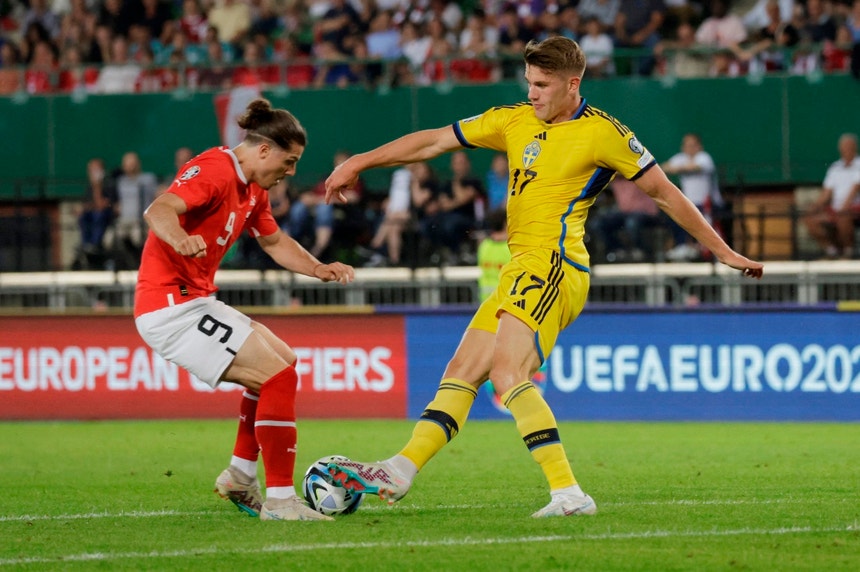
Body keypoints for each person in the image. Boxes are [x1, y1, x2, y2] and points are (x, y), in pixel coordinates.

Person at [323, 36, 763, 518]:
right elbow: (432, 140)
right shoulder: (513, 120)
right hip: (520, 267)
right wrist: (360, 161)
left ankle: (569, 494)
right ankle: (401, 468)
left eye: (542, 84)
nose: (531, 93)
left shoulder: (604, 133)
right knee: (462, 371)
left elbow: (665, 194)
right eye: (528, 82)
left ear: (573, 85)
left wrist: (721, 250)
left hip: (555, 264)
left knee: (509, 373)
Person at [134, 98, 355, 522]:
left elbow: (272, 241)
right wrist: (179, 238)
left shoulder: (254, 188)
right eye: (288, 162)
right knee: (276, 376)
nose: (290, 172)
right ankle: (280, 500)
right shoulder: (216, 171)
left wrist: (317, 268)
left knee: (284, 364)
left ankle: (239, 475)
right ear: (264, 150)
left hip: (195, 299)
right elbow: (158, 209)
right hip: (169, 306)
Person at [661, 133, 725, 261]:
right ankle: (683, 246)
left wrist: (677, 169)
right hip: (689, 204)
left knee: (700, 220)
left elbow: (696, 167)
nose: (688, 148)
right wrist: (675, 167)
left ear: (699, 146)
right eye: (686, 145)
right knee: (673, 214)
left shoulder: (704, 158)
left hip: (709, 204)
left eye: (692, 145)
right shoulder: (680, 158)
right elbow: (663, 167)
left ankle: (716, 253)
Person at [802, 133, 860, 259]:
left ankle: (848, 252)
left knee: (844, 217)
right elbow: (826, 193)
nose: (846, 149)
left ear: (855, 147)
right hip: (836, 209)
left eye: (849, 146)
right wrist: (815, 207)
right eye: (844, 147)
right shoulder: (835, 167)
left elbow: (855, 189)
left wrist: (843, 208)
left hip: (854, 208)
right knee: (810, 220)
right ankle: (831, 251)